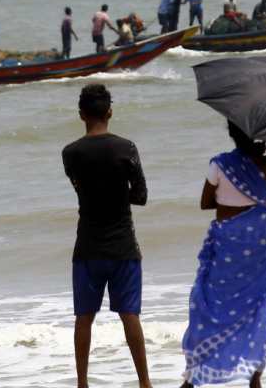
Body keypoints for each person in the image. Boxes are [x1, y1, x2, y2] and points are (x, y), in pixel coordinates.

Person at [179, 121, 266, 388]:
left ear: (232, 134)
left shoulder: (219, 164)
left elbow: (205, 203)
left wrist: (225, 198)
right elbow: (260, 199)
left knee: (210, 304)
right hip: (261, 241)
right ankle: (255, 377)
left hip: (228, 243)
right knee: (257, 304)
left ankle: (195, 375)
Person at [62, 84, 152, 388]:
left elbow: (81, 189)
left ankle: (83, 383)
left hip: (87, 247)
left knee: (84, 317)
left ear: (81, 115)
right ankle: (145, 383)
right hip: (124, 246)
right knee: (130, 316)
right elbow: (140, 196)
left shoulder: (70, 153)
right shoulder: (126, 148)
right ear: (110, 112)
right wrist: (117, 192)